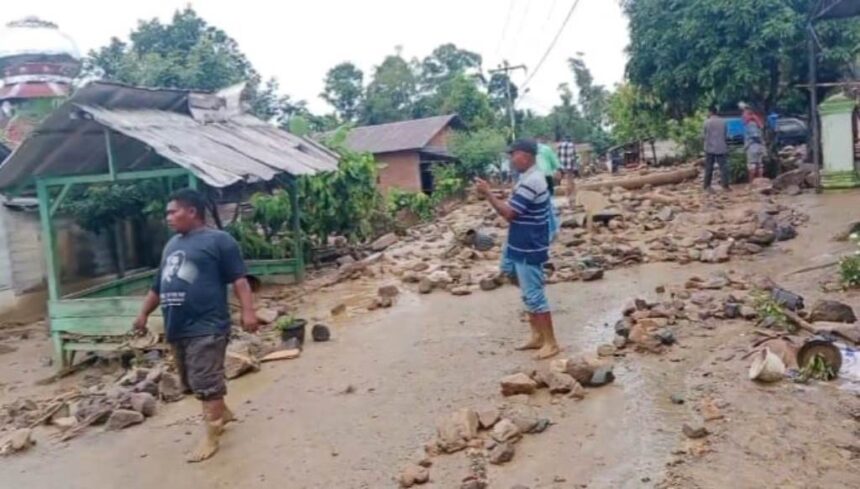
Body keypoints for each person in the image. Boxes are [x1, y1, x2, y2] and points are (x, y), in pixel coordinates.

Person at [133, 188, 258, 463]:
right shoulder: (172, 245)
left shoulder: (219, 241)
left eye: (172, 211)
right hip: (177, 327)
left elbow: (239, 280)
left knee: (205, 381)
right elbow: (158, 285)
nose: (168, 217)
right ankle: (221, 412)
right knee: (192, 383)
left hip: (208, 325)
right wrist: (143, 314)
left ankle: (211, 436)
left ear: (192, 212)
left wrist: (248, 312)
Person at [475, 139, 560, 360]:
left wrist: (488, 194)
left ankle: (550, 343)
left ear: (526, 156)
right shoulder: (527, 178)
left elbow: (509, 214)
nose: (511, 160)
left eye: (514, 155)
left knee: (534, 294)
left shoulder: (532, 180)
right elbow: (516, 206)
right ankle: (537, 336)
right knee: (509, 272)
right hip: (517, 241)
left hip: (529, 245)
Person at [536, 139, 562, 241]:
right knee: (548, 204)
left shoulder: (528, 150)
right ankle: (553, 229)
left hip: (533, 178)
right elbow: (556, 165)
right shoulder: (546, 149)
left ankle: (549, 231)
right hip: (546, 177)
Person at [702, 105, 730, 192]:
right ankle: (725, 186)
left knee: (709, 167)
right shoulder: (723, 122)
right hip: (721, 147)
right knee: (723, 167)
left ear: (710, 112)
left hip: (709, 147)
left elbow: (704, 135)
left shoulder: (707, 122)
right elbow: (725, 135)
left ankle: (707, 186)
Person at [742, 104, 766, 181]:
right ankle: (760, 183)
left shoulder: (751, 124)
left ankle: (752, 183)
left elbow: (755, 135)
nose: (743, 116)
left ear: (749, 115)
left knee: (752, 165)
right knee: (759, 165)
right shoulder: (757, 123)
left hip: (753, 147)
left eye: (744, 114)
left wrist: (749, 144)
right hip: (759, 146)